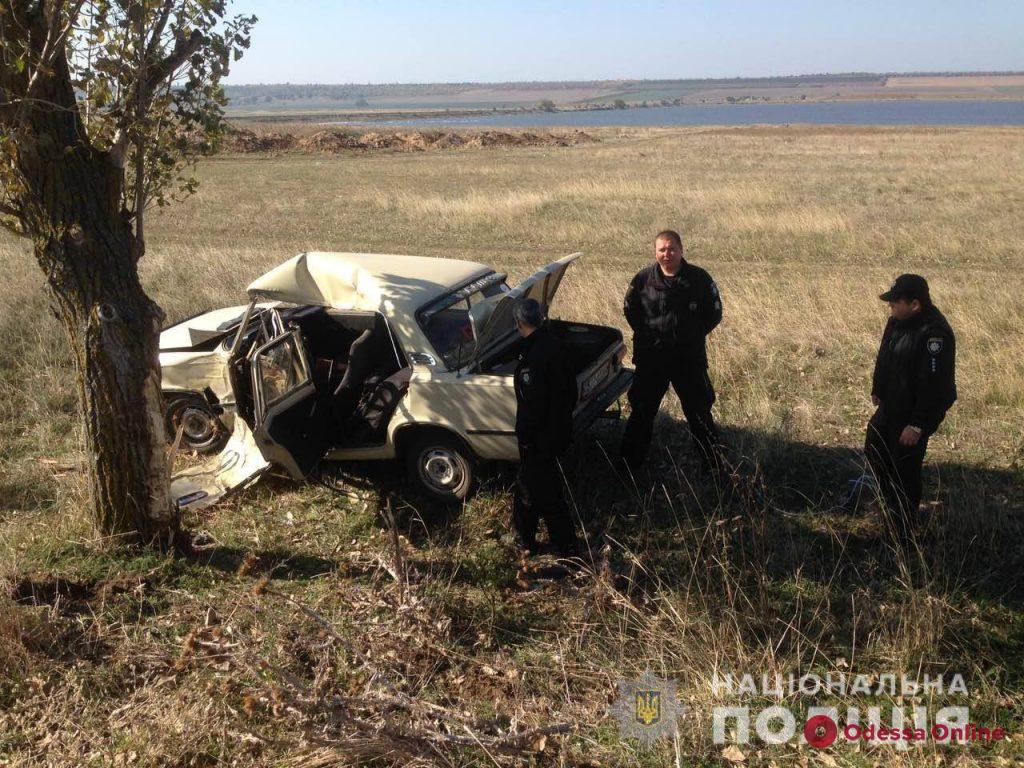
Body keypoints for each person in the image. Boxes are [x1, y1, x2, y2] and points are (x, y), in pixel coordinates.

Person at [620, 229, 724, 474]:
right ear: (655, 252)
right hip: (651, 360)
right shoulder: (642, 280)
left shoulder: (699, 279)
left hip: (688, 360)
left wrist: (690, 336)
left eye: (671, 249)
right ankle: (627, 470)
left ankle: (715, 468)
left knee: (699, 413)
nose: (667, 254)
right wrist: (649, 336)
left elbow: (714, 314)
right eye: (662, 249)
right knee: (642, 413)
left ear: (681, 250)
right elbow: (631, 311)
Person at [866, 274, 956, 548]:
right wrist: (878, 387)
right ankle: (890, 507)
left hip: (914, 414)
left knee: (905, 470)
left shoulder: (934, 335)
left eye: (896, 302)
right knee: (875, 449)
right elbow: (885, 355)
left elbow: (935, 387)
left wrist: (917, 425)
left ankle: (902, 533)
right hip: (892, 404)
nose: (890, 306)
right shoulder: (897, 321)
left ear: (915, 304)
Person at [512, 297, 580, 557]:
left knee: (541, 492)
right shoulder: (556, 345)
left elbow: (533, 405)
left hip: (540, 438)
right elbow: (570, 389)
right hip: (560, 429)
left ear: (519, 323)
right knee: (533, 487)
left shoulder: (533, 357)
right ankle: (526, 539)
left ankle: (566, 547)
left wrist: (527, 437)